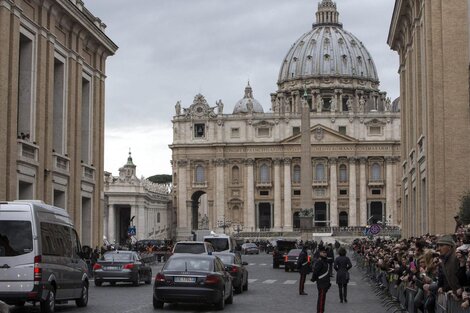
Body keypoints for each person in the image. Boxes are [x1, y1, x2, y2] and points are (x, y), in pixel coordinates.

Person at [311, 246, 331, 313]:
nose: (325, 254)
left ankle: (321, 311)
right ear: (320, 253)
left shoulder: (326, 261)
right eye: (323, 252)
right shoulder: (320, 262)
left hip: (325, 283)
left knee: (322, 299)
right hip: (322, 283)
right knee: (321, 299)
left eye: (325, 252)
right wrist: (313, 279)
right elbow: (316, 272)